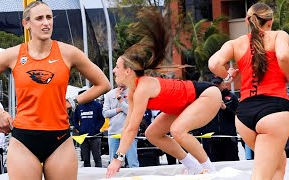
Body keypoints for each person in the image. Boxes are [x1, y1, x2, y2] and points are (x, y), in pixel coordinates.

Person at [0, 1, 110, 179]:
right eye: (39, 18)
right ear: (26, 24)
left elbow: (103, 84)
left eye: (49, 17)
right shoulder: (13, 54)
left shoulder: (69, 53)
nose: (46, 23)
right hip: (24, 140)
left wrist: (73, 102)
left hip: (60, 139)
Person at [106, 8, 221, 178]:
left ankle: (210, 170)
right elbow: (127, 127)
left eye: (117, 66)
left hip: (206, 95)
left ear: (129, 71)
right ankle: (193, 166)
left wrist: (118, 159)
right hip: (183, 104)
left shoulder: (143, 87)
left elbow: (132, 128)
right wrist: (117, 157)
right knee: (152, 134)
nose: (114, 70)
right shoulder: (133, 92)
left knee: (177, 130)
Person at [208, 2, 289, 179]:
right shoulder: (278, 35)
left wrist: (228, 76)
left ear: (247, 21)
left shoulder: (235, 43)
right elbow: (283, 56)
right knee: (261, 175)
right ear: (270, 21)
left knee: (279, 163)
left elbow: (213, 64)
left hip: (244, 116)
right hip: (273, 110)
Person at [199, 75, 239, 162]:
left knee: (231, 165)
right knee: (213, 166)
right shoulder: (205, 98)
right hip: (211, 140)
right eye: (213, 84)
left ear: (223, 84)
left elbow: (238, 116)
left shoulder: (231, 97)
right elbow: (200, 117)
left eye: (218, 84)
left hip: (228, 138)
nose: (215, 86)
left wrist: (225, 109)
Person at [102, 84, 139, 168]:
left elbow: (132, 111)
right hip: (113, 133)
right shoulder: (109, 94)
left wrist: (120, 99)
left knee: (132, 162)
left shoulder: (133, 92)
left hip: (129, 133)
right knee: (114, 163)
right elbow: (105, 113)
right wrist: (119, 109)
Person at [71, 90, 105, 167]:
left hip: (95, 136)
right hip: (83, 136)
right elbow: (74, 120)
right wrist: (80, 129)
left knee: (97, 158)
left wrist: (96, 129)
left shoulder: (97, 105)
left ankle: (99, 175)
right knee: (85, 159)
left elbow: (101, 119)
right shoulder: (79, 106)